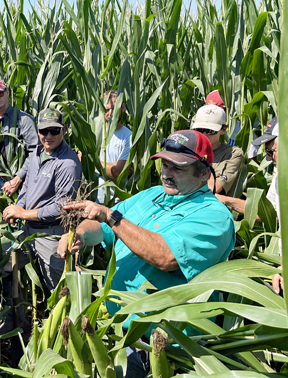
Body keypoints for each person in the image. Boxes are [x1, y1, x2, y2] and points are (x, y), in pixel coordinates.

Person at [57, 130, 236, 377]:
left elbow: (165, 256)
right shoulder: (152, 195)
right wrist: (80, 234)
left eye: (177, 168)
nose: (166, 173)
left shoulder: (214, 217)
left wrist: (111, 216)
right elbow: (103, 229)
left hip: (169, 351)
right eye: (164, 164)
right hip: (125, 336)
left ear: (204, 172)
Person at [3, 108, 82, 291]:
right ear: (37, 131)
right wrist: (18, 207)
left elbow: (62, 207)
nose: (48, 136)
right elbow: (27, 187)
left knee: (60, 289)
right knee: (0, 263)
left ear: (63, 130)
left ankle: (64, 318)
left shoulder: (68, 164)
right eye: (43, 131)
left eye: (54, 131)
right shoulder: (36, 153)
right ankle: (14, 314)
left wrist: (23, 213)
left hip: (50, 235)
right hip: (27, 230)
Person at [217, 118, 282, 293]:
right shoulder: (279, 177)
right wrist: (227, 201)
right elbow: (269, 214)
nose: (268, 158)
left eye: (270, 151)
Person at [0, 79, 39, 196]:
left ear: (7, 93)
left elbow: (35, 152)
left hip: (19, 183)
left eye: (0, 93)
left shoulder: (24, 120)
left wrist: (17, 179)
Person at [191, 104, 245, 196]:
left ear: (223, 129)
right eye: (200, 129)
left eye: (210, 131)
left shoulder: (233, 153)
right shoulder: (186, 148)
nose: (204, 134)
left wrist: (203, 154)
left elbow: (213, 188)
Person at [97, 90, 132, 205]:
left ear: (122, 107)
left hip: (117, 202)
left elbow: (117, 172)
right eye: (107, 110)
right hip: (93, 199)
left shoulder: (129, 137)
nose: (110, 113)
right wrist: (109, 167)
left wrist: (92, 161)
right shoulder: (95, 131)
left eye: (114, 109)